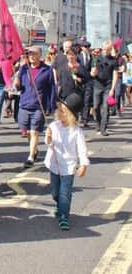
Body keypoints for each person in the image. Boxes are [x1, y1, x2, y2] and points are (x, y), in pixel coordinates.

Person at [44, 93, 89, 230]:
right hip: (54, 164)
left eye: (64, 111)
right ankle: (60, 205)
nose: (60, 113)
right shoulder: (53, 125)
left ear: (71, 115)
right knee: (55, 192)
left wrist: (83, 164)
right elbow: (48, 143)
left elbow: (82, 148)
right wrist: (48, 137)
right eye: (60, 110)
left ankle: (64, 216)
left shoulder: (76, 131)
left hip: (69, 166)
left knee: (65, 193)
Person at [13, 46, 56, 168]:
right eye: (29, 54)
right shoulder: (23, 69)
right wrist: (17, 84)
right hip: (24, 104)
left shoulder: (47, 70)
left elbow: (52, 88)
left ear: (39, 55)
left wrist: (51, 106)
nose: (31, 56)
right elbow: (20, 87)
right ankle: (34, 148)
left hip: (39, 105)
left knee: (34, 132)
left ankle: (31, 157)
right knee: (26, 132)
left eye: (34, 54)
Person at [90, 40, 118, 136]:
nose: (106, 51)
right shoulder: (96, 59)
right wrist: (93, 73)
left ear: (110, 50)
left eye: (108, 49)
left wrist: (112, 89)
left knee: (106, 108)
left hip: (108, 86)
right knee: (96, 106)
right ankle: (98, 123)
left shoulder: (113, 61)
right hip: (97, 85)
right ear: (102, 49)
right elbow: (92, 73)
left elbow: (115, 75)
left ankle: (103, 128)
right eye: (105, 49)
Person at [77, 40, 94, 127]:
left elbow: (93, 67)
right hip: (79, 81)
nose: (87, 48)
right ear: (82, 48)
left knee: (87, 101)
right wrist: (76, 77)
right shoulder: (78, 57)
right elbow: (74, 67)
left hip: (89, 81)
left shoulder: (92, 57)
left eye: (88, 47)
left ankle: (85, 119)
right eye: (85, 47)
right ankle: (80, 115)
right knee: (80, 100)